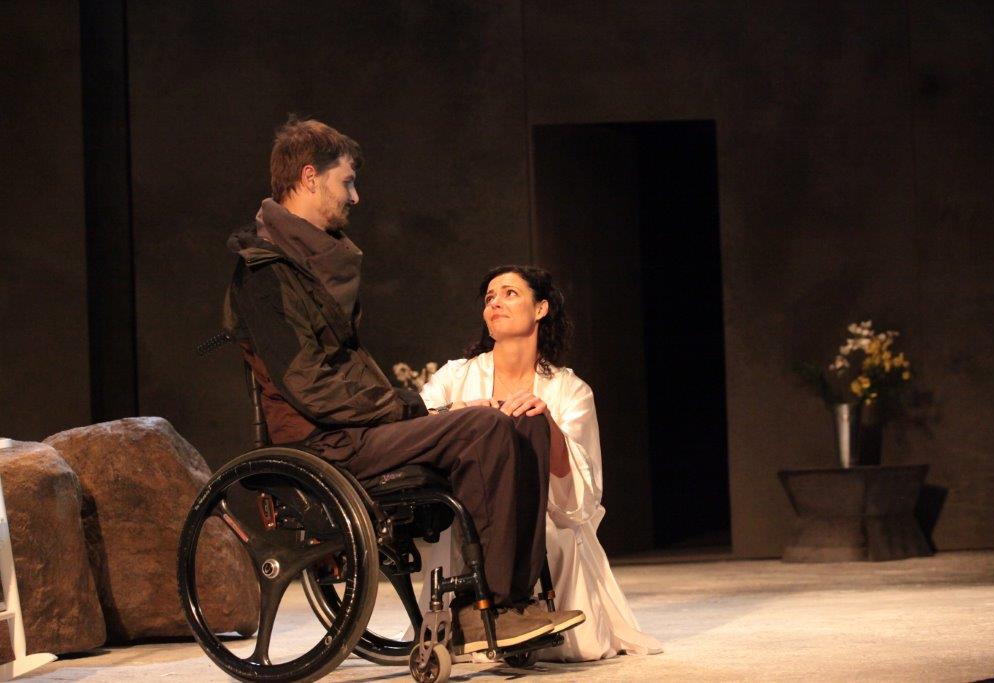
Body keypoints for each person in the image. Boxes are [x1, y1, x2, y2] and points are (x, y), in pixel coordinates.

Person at [221, 117, 582, 653]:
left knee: (524, 422)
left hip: (354, 430)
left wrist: (410, 412)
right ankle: (483, 609)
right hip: (322, 442)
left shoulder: (312, 264)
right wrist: (409, 408)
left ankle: (517, 602)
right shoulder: (265, 273)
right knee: (484, 426)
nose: (355, 197)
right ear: (309, 177)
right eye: (346, 182)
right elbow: (311, 387)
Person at [418, 265, 663, 661]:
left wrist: (547, 426)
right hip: (467, 507)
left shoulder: (570, 390)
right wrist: (465, 411)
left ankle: (524, 610)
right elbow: (415, 426)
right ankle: (479, 614)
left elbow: (578, 500)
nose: (496, 302)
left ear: (541, 308)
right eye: (489, 297)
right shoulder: (456, 376)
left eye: (510, 293)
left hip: (547, 515)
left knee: (553, 531)